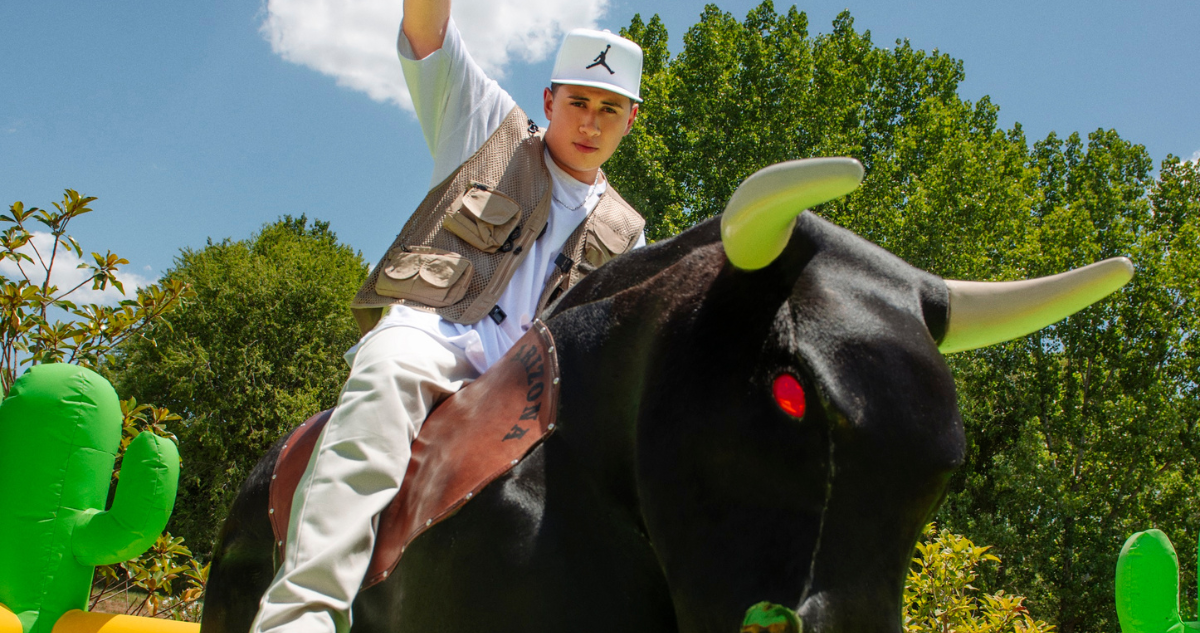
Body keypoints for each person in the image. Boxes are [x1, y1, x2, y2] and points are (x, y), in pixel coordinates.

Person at [248, 0, 646, 631]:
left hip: (530, 382)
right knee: (385, 373)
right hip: (435, 331)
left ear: (630, 121)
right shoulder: (485, 124)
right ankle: (303, 613)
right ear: (549, 101)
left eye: (609, 109)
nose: (591, 123)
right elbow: (427, 31)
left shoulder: (632, 233)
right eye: (578, 102)